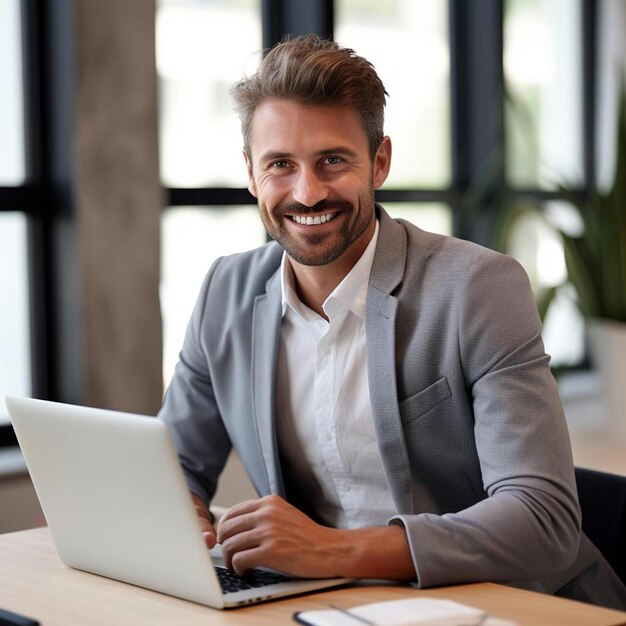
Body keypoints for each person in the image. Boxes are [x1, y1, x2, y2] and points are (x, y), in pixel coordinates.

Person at [159, 34, 626, 609]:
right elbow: (174, 461)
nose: (307, 192)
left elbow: (542, 517)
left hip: (507, 604)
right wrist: (179, 508)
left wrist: (334, 551)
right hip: (323, 603)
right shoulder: (222, 293)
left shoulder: (478, 288)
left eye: (333, 160)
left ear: (379, 162)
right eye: (281, 164)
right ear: (252, 175)